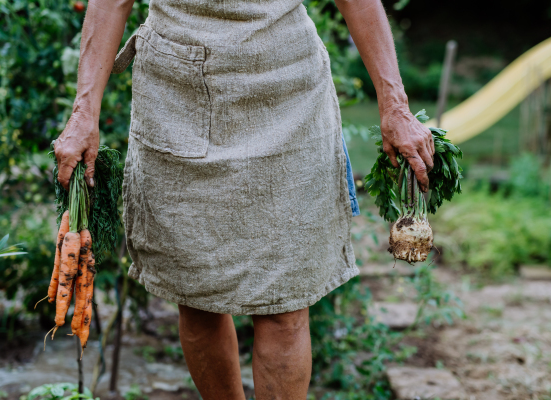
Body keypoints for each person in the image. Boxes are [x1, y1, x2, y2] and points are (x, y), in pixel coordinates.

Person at [54, 0, 434, 398]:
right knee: (196, 293)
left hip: (287, 91)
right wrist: (83, 112)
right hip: (177, 95)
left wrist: (395, 104)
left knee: (285, 304)